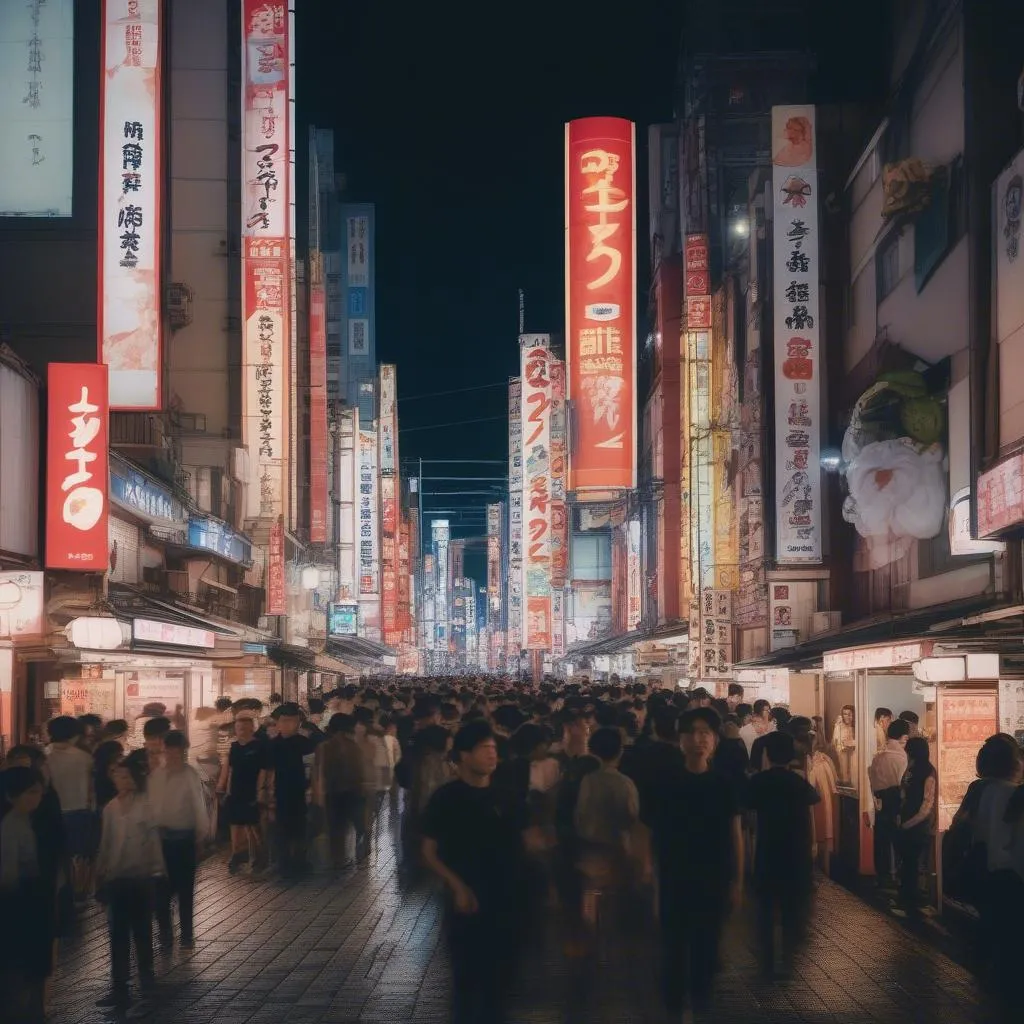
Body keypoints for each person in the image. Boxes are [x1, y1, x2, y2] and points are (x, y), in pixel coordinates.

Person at [420, 720, 533, 1024]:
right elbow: (429, 852)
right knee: (467, 981)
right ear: (464, 755)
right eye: (484, 749)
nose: (492, 755)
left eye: (494, 749)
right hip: (466, 905)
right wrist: (457, 886)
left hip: (506, 901)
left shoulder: (509, 798)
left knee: (501, 982)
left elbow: (527, 845)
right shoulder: (447, 799)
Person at [644, 707, 743, 1017]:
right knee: (673, 951)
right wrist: (652, 882)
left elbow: (735, 836)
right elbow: (649, 834)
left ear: (714, 740)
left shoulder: (724, 784)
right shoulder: (665, 783)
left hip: (713, 879)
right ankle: (673, 1009)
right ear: (681, 739)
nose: (700, 739)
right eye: (693, 733)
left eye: (706, 733)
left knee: (706, 951)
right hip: (674, 878)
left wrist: (737, 882)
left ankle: (700, 1005)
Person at [745, 731, 820, 978]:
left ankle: (766, 959)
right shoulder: (798, 782)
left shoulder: (759, 781)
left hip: (768, 850)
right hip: (795, 852)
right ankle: (788, 956)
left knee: (766, 907)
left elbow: (746, 806)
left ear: (767, 754)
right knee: (791, 906)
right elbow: (814, 798)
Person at [94, 759, 165, 1009]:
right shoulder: (110, 808)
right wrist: (100, 872)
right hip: (117, 877)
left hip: (141, 877)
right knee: (118, 934)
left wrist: (157, 869)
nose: (122, 780)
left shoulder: (145, 806)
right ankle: (120, 986)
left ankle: (146, 982)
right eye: (118, 775)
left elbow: (153, 840)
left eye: (126, 776)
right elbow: (106, 843)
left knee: (142, 932)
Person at [0, 766, 52, 1022]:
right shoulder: (12, 827)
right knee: (18, 967)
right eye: (30, 792)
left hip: (28, 902)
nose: (35, 798)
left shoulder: (25, 821)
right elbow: (9, 875)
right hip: (19, 905)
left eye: (38, 792)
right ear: (12, 795)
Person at [149, 731, 208, 949]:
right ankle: (165, 931)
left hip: (184, 838)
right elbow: (151, 807)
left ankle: (186, 933)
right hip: (161, 839)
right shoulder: (156, 776)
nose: (173, 755)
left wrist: (201, 836)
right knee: (161, 889)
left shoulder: (189, 774)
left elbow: (198, 806)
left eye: (177, 751)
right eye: (169, 750)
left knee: (185, 889)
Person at [46, 715, 95, 900]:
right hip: (79, 812)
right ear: (74, 735)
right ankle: (77, 894)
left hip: (55, 813)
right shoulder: (84, 758)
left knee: (57, 856)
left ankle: (59, 892)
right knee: (78, 855)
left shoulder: (46, 757)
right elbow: (91, 789)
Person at [265, 703, 315, 876]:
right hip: (279, 795)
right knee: (279, 829)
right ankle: (282, 862)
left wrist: (311, 791)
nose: (289, 725)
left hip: (300, 794)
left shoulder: (306, 744)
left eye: (294, 721)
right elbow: (268, 772)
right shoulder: (272, 746)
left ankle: (300, 861)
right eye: (285, 721)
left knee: (300, 828)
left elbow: (311, 769)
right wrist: (269, 796)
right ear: (277, 723)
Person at [217, 713, 268, 874]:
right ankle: (237, 854)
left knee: (254, 826)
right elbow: (229, 769)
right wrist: (224, 788)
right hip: (236, 791)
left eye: (246, 727)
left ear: (252, 728)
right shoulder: (234, 747)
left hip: (252, 790)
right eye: (239, 728)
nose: (242, 731)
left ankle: (261, 856)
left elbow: (264, 770)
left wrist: (260, 790)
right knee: (236, 825)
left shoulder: (259, 746)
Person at [895, 736, 936, 917]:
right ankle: (906, 899)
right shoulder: (912, 768)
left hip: (917, 826)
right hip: (907, 823)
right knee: (908, 863)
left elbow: (927, 804)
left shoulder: (927, 771)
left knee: (913, 865)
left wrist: (908, 823)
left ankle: (911, 902)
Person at [867, 718, 910, 889]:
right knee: (898, 839)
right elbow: (903, 782)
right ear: (903, 737)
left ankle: (882, 876)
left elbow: (872, 779)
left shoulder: (878, 757)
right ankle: (896, 877)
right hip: (897, 800)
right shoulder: (902, 757)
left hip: (880, 800)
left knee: (881, 840)